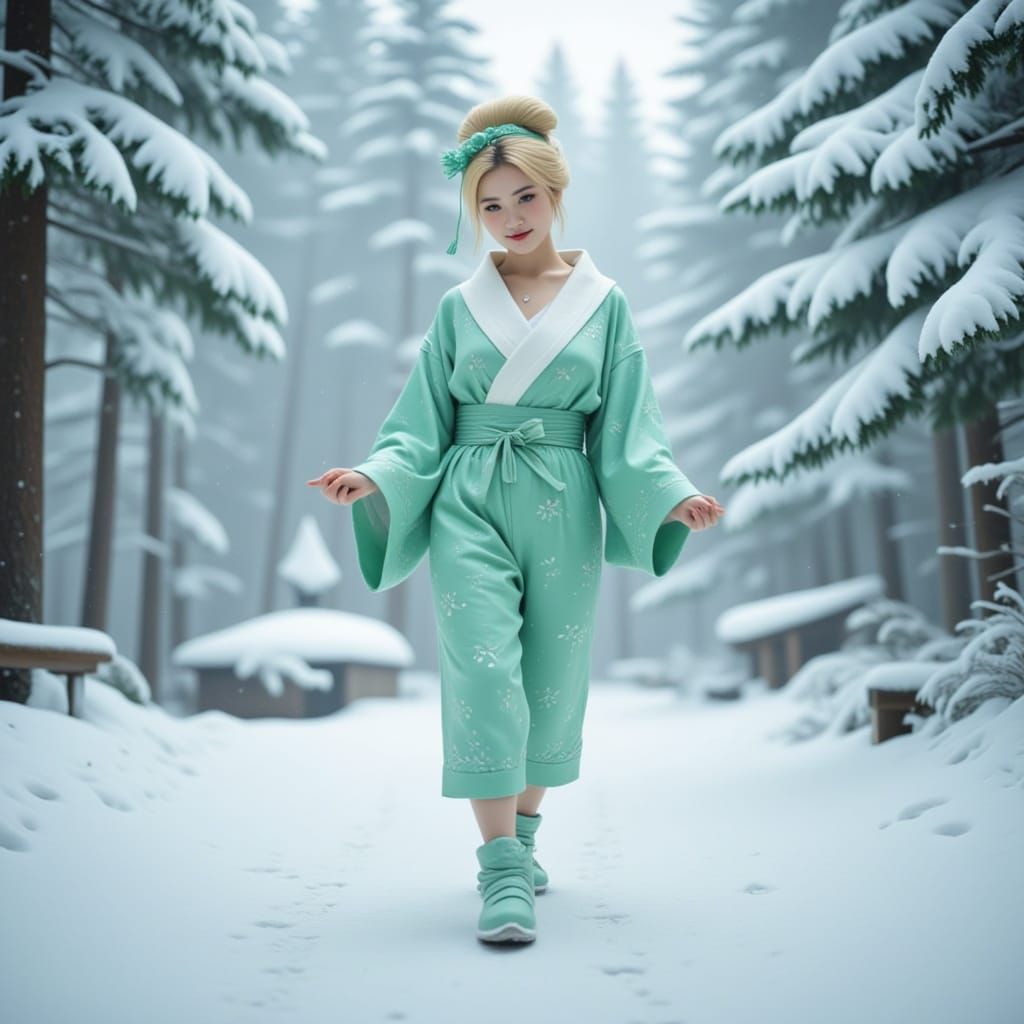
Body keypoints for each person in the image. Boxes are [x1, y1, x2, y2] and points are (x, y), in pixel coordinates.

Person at [307, 94, 725, 945]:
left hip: (566, 499)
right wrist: (377, 474)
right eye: (489, 206)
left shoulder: (605, 306)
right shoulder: (459, 309)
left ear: (554, 193)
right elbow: (418, 421)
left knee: (549, 678)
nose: (509, 219)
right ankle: (501, 870)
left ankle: (524, 835)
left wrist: (667, 492)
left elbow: (630, 428)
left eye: (523, 199)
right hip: (468, 495)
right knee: (483, 667)